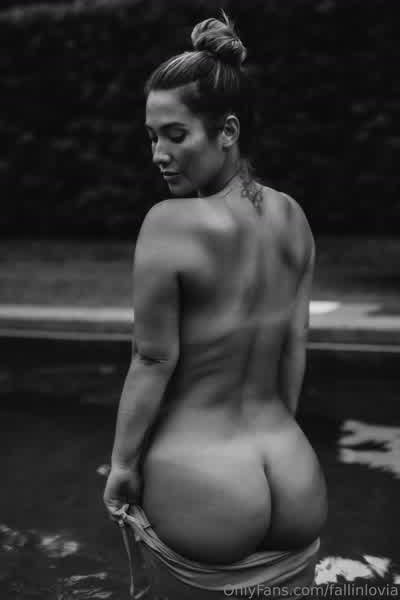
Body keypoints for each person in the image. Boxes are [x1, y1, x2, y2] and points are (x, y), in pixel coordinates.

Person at [103, 11, 327, 599]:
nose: (159, 154)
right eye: (152, 136)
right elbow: (294, 347)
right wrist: (273, 440)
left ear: (227, 131)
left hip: (205, 485)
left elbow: (153, 360)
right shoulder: (293, 217)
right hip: (296, 476)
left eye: (175, 135)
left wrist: (122, 468)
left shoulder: (168, 224)